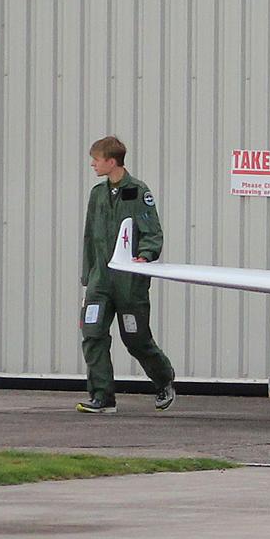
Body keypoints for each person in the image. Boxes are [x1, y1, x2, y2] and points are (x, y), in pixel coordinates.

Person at [77, 136, 178, 414]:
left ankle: (164, 379)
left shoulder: (137, 191)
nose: (93, 164)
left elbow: (152, 232)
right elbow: (90, 237)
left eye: (96, 159)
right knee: (92, 333)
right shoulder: (97, 194)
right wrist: (88, 278)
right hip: (100, 280)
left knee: (135, 338)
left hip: (129, 283)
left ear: (111, 161)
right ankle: (102, 397)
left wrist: (145, 255)